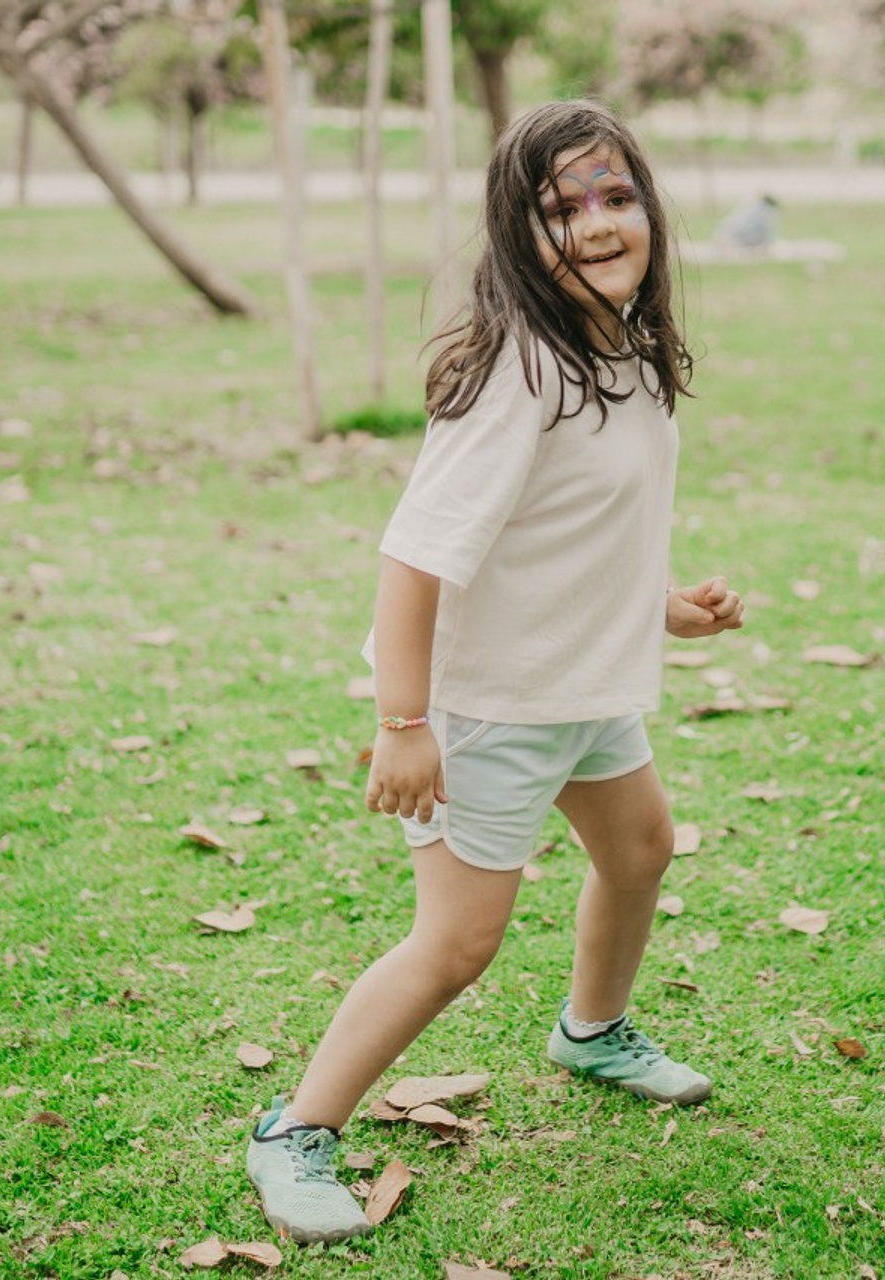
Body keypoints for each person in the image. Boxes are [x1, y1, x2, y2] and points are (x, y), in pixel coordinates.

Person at [245, 100, 746, 1244]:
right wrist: (403, 719)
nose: (598, 223)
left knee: (638, 847)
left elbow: (572, 529)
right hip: (480, 709)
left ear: (649, 210)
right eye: (560, 209)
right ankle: (296, 1128)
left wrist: (660, 606)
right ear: (516, 240)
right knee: (457, 943)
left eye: (615, 197)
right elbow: (413, 555)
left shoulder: (620, 348)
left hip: (578, 684)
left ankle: (592, 1028)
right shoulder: (521, 370)